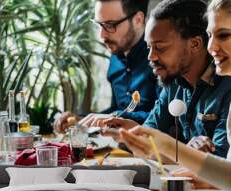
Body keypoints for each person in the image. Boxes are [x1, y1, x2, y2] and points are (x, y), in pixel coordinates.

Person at [119, 0, 231, 191]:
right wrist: (211, 180)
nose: (211, 47)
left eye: (223, 35)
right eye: (210, 35)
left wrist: (165, 144)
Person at [99, 0, 231, 158]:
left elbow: (222, 161)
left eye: (160, 47)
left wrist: (182, 151)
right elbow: (153, 133)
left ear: (195, 44)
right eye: (149, 47)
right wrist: (135, 133)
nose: (151, 56)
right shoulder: (173, 83)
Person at [54, 0, 160, 132]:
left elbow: (162, 117)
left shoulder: (159, 59)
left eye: (110, 25)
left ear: (138, 20)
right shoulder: (115, 56)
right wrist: (80, 119)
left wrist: (114, 117)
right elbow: (117, 110)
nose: (101, 36)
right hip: (120, 148)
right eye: (99, 25)